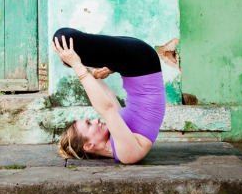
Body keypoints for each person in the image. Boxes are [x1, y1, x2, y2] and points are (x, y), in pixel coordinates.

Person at [52, 28, 166, 164]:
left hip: (135, 64)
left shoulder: (116, 136)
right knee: (62, 38)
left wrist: (95, 75)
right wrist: (77, 65)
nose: (96, 120)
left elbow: (110, 96)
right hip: (141, 62)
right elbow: (107, 107)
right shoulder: (126, 155)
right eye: (89, 124)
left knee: (67, 53)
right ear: (88, 146)